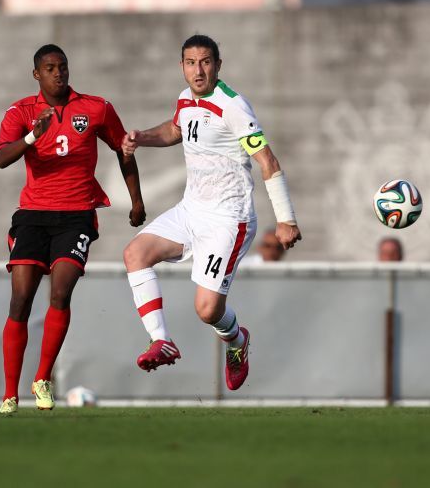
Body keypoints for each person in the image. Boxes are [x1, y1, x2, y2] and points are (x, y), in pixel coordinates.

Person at [121, 35, 302, 391]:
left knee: (207, 310)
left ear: (218, 65)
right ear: (182, 66)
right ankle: (161, 340)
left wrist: (286, 220)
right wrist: (142, 137)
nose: (198, 70)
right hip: (191, 209)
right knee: (134, 254)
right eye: (191, 63)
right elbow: (176, 129)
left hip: (228, 219)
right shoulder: (185, 99)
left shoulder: (233, 105)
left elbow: (267, 160)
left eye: (205, 62)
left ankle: (237, 341)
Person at [0, 44, 146, 414]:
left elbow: (123, 150)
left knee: (60, 293)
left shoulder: (96, 108)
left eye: (62, 66)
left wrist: (136, 200)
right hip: (33, 215)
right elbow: (1, 158)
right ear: (37, 74)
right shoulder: (20, 112)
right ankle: (10, 395)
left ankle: (42, 379)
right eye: (49, 68)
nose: (58, 73)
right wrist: (33, 136)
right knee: (21, 299)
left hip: (76, 216)